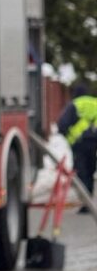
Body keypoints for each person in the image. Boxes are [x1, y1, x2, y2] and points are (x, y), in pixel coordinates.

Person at [57, 82, 97, 212]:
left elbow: (62, 125)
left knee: (82, 172)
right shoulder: (94, 103)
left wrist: (70, 138)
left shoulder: (74, 105)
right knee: (90, 171)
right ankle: (89, 198)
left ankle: (85, 203)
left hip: (79, 144)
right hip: (94, 142)